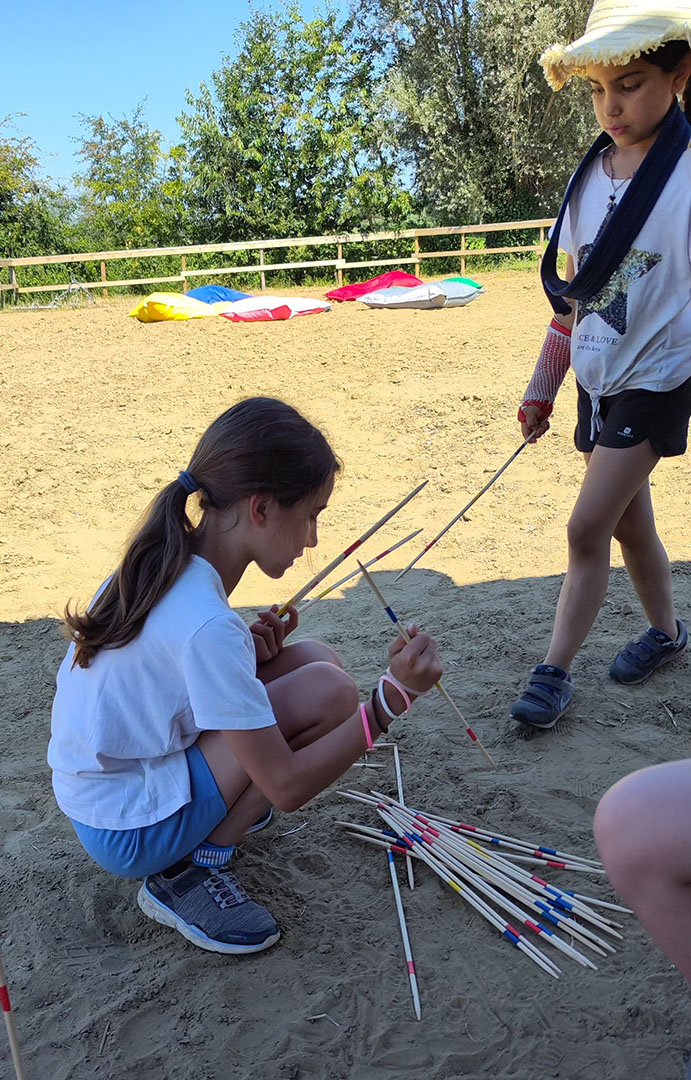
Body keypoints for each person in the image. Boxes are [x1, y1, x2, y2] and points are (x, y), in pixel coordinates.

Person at [48, 397, 442, 955]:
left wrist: (245, 657)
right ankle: (189, 869)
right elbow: (286, 787)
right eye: (311, 516)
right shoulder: (207, 624)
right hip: (128, 825)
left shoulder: (168, 556)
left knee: (316, 661)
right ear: (259, 509)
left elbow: (166, 678)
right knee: (333, 694)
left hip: (108, 787)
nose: (312, 540)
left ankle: (210, 824)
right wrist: (391, 701)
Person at [509, 0, 691, 729]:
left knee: (585, 528)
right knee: (625, 525)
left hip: (656, 380)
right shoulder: (589, 178)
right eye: (596, 89)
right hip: (595, 382)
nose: (609, 106)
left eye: (632, 83)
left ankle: (551, 673)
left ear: (679, 75)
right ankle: (668, 635)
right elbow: (572, 302)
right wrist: (541, 387)